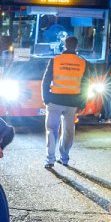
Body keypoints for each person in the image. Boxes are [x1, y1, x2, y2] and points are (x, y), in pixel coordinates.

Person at [42, 35, 90, 168]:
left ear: (64, 45)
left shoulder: (55, 60)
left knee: (51, 129)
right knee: (69, 130)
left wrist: (46, 98)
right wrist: (82, 103)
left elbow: (46, 81)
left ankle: (50, 160)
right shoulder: (82, 62)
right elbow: (85, 85)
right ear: (77, 46)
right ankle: (64, 158)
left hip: (55, 100)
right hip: (72, 102)